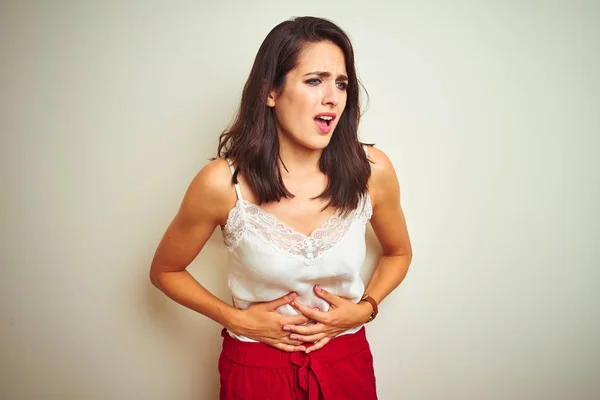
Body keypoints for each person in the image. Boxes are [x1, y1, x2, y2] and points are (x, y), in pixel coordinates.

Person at [150, 16, 412, 400]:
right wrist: (236, 319)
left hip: (347, 364)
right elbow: (165, 271)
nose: (333, 97)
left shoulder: (373, 171)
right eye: (314, 80)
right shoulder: (221, 184)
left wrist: (365, 308)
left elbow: (399, 252)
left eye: (341, 83)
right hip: (253, 370)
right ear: (270, 92)